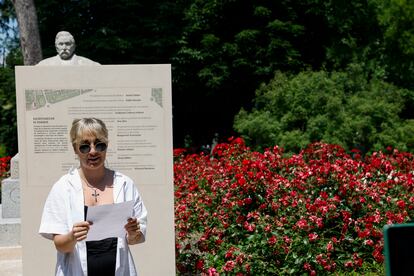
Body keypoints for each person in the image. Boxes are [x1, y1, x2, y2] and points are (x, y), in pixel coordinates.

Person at [39, 118, 147, 276]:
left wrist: (133, 233)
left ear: (107, 146)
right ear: (75, 149)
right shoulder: (63, 187)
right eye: (84, 146)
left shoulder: (125, 184)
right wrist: (72, 236)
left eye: (99, 144)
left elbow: (136, 239)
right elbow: (60, 245)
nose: (93, 151)